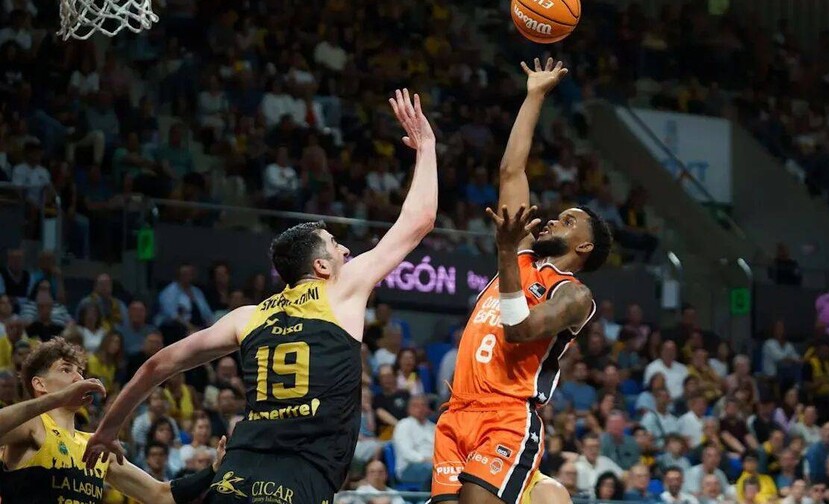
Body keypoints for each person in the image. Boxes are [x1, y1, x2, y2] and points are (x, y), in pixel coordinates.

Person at [84, 89, 438, 504]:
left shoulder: (246, 316)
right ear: (322, 267)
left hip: (233, 478)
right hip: (298, 483)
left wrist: (107, 429)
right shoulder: (340, 290)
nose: (346, 251)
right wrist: (427, 146)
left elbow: (158, 364)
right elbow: (419, 219)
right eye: (336, 245)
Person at [430, 58, 612, 504]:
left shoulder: (574, 295)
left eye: (568, 221)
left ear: (584, 246)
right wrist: (534, 97)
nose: (552, 219)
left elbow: (519, 329)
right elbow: (512, 172)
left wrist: (506, 252)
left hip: (506, 416)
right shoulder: (523, 254)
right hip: (456, 412)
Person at [0, 338, 226, 503]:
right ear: (40, 384)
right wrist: (57, 399)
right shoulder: (35, 426)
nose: (78, 377)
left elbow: (160, 495)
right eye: (66, 370)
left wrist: (213, 469)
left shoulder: (96, 447)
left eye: (80, 371)